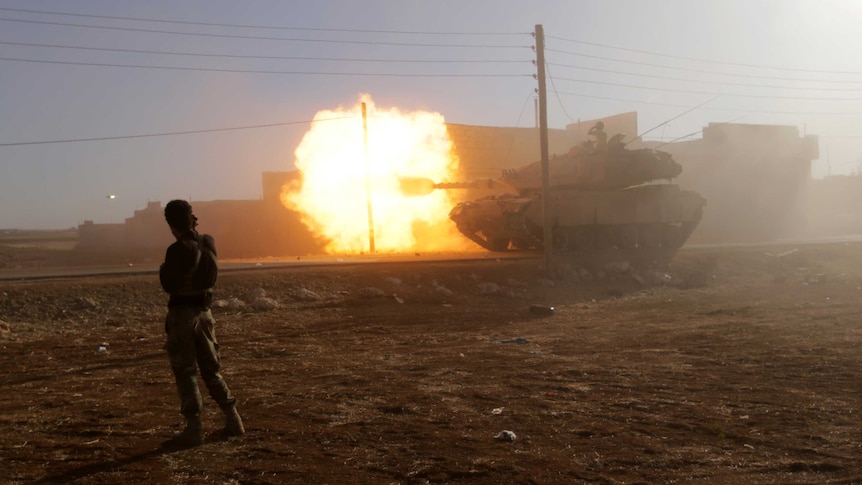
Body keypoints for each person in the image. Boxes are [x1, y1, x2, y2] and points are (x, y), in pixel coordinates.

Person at [159, 199, 244, 447]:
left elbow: (169, 284)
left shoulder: (176, 250)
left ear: (171, 223)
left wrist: (164, 269)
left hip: (182, 315)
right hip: (205, 315)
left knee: (186, 372)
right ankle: (233, 419)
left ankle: (194, 429)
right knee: (211, 370)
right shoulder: (208, 243)